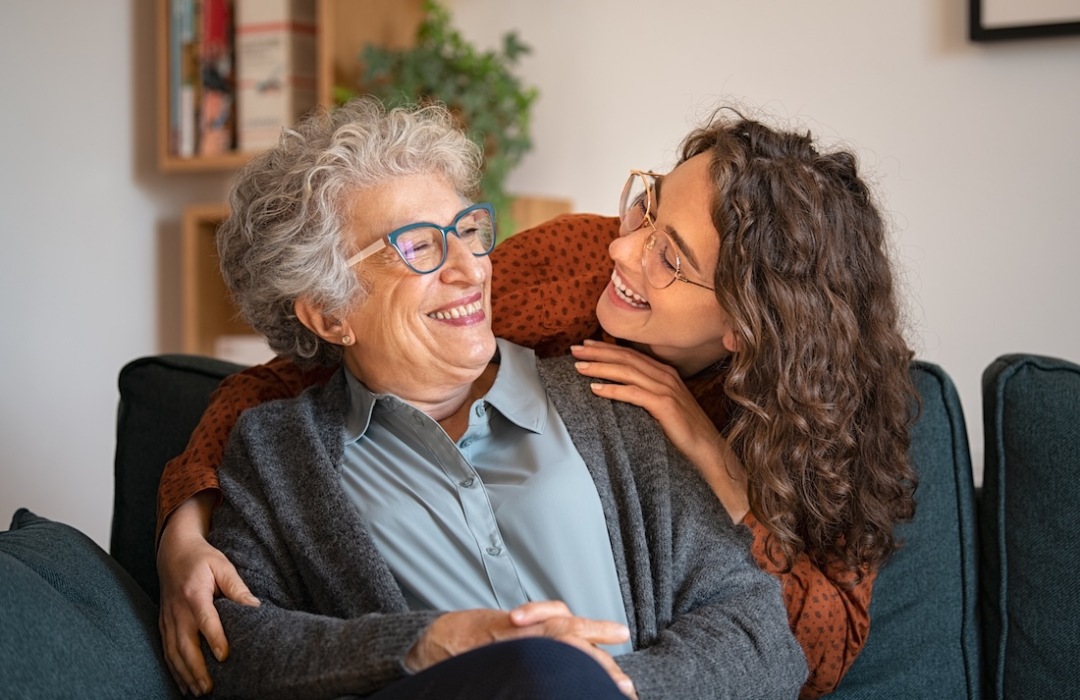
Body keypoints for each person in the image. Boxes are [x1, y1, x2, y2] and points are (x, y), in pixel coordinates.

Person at [157, 104, 916, 698]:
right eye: (420, 245)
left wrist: (603, 686)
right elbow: (241, 643)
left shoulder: (628, 411)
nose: (470, 268)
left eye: (466, 233)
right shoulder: (574, 276)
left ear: (749, 326)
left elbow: (783, 644)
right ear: (328, 311)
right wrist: (183, 529)